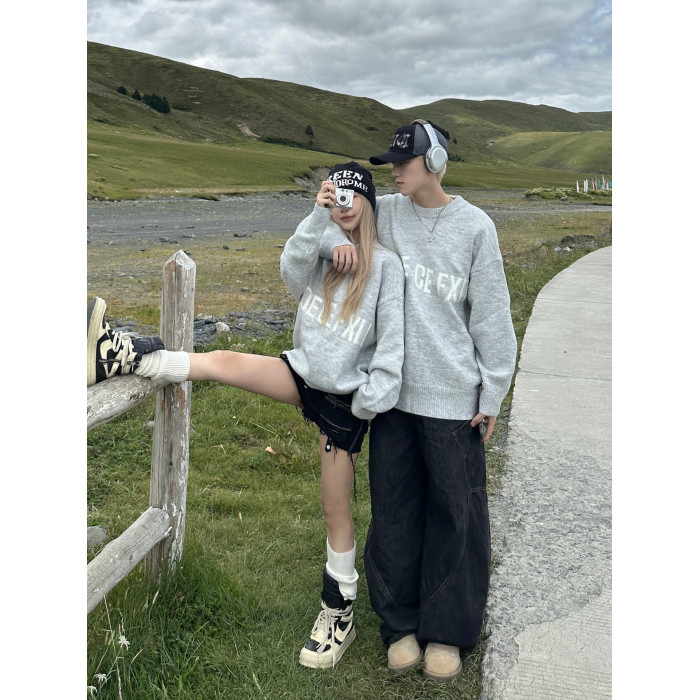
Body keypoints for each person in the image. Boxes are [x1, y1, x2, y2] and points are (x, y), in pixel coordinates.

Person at [87, 162, 406, 670]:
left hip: (343, 404)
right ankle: (122, 356)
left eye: (352, 197)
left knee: (335, 510)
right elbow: (289, 270)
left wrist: (363, 405)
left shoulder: (386, 267)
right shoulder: (322, 250)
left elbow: (391, 351)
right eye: (336, 196)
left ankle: (338, 613)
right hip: (301, 374)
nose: (344, 206)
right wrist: (318, 221)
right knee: (225, 362)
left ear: (369, 201)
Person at [319, 122, 517, 682]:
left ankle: (448, 631)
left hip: (454, 400)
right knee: (395, 512)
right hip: (392, 397)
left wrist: (492, 392)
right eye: (391, 164)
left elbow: (492, 316)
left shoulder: (476, 227)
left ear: (435, 162)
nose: (394, 173)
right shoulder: (388, 213)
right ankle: (400, 624)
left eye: (403, 163)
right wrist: (329, 219)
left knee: (455, 515)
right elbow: (338, 224)